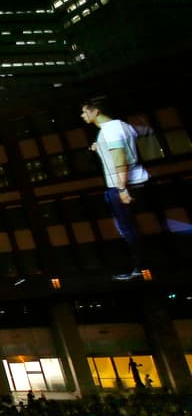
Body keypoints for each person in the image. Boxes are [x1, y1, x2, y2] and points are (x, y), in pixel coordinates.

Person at [81, 96, 152, 281]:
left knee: (127, 229)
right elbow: (127, 147)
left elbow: (120, 156)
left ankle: (140, 267)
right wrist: (100, 147)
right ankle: (140, 266)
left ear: (96, 111)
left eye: (85, 111)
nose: (82, 115)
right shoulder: (122, 126)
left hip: (123, 184)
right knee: (128, 227)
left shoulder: (110, 129)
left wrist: (121, 188)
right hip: (131, 182)